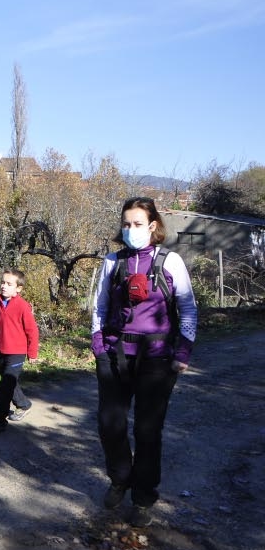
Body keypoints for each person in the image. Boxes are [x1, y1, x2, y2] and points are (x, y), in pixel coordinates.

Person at [91, 196, 197, 527]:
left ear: (153, 226)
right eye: (126, 224)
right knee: (110, 423)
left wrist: (183, 351)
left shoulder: (171, 262)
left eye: (137, 224)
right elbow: (99, 305)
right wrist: (97, 344)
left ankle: (142, 497)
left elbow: (189, 308)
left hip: (156, 359)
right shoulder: (113, 261)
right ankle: (120, 478)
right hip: (115, 353)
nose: (130, 229)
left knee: (148, 431)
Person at [0, 269, 39, 433]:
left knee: (5, 385)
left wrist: (32, 353)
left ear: (18, 288)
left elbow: (32, 331)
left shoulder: (22, 306)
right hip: (1, 351)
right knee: (9, 382)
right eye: (3, 282)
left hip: (17, 353)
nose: (4, 286)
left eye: (9, 284)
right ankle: (24, 404)